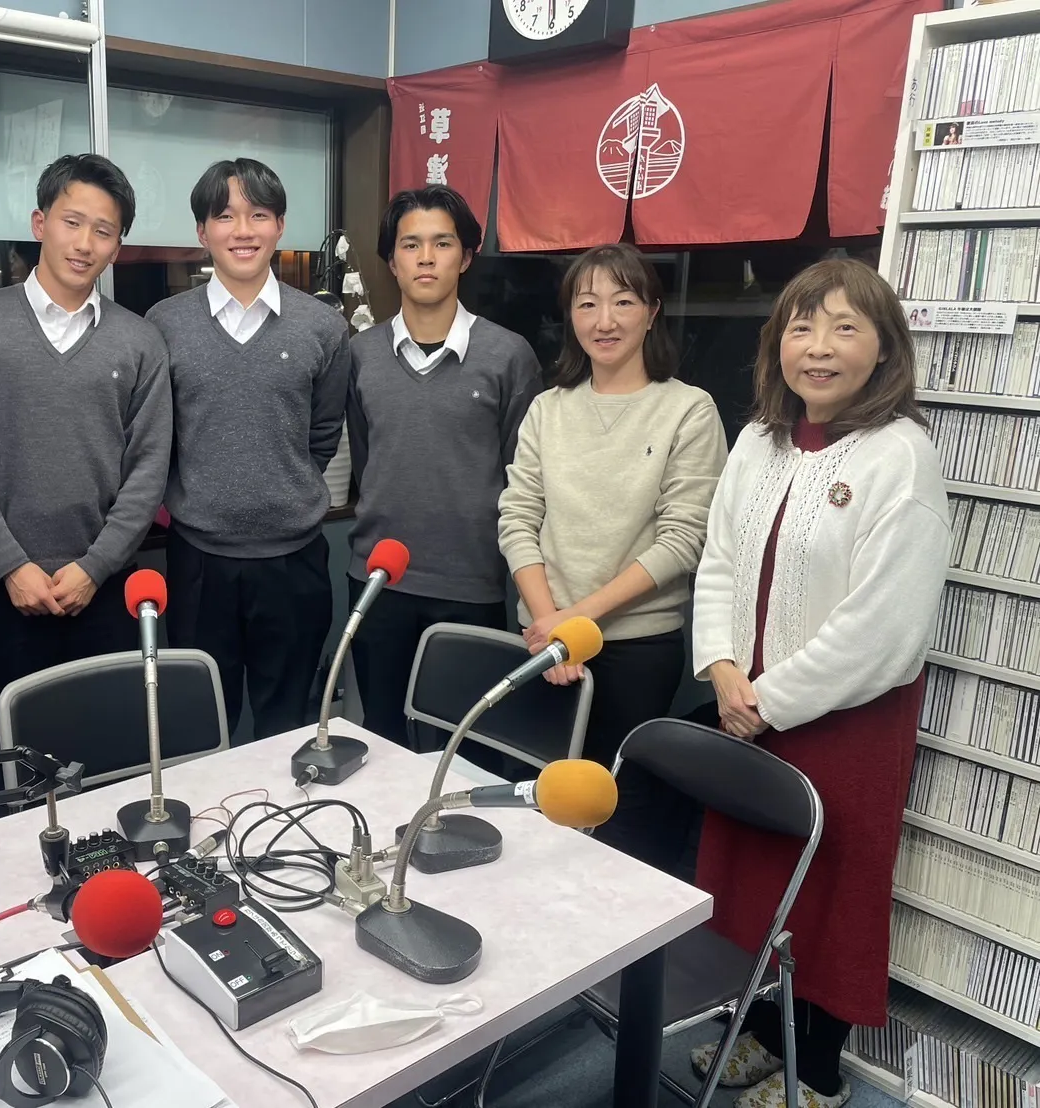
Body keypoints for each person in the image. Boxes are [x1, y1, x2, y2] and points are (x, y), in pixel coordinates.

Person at [688, 258, 948, 1108]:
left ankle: (820, 1071)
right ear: (778, 344)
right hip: (742, 704)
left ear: (884, 349)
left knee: (829, 892)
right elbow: (719, 563)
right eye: (801, 327)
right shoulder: (757, 441)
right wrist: (721, 668)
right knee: (751, 879)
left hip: (845, 722)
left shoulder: (900, 456)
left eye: (844, 328)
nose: (819, 347)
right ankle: (762, 1032)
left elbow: (885, 628)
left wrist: (764, 700)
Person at [497, 242, 726, 864]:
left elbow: (683, 538)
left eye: (623, 302)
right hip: (543, 643)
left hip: (635, 648)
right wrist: (550, 624)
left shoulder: (688, 409)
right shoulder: (548, 409)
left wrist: (575, 623)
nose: (605, 320)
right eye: (587, 303)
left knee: (616, 818)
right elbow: (518, 517)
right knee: (536, 806)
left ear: (651, 312)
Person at [0, 154, 171, 750]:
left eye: (104, 230)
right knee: (18, 763)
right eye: (72, 222)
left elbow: (148, 468)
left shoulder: (140, 340)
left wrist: (95, 567)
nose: (85, 243)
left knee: (112, 757)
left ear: (118, 246)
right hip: (3, 591)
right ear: (40, 223)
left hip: (105, 589)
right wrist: (11, 565)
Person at [146, 158, 349, 739]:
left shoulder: (322, 327)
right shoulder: (164, 324)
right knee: (200, 728)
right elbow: (159, 435)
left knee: (289, 727)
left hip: (294, 561)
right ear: (201, 231)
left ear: (280, 226)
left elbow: (322, 433)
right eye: (225, 216)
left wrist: (277, 486)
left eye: (258, 215)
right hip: (198, 561)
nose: (242, 230)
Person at [346, 185, 542, 748]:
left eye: (442, 243)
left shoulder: (508, 355)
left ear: (467, 256)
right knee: (381, 738)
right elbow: (365, 452)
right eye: (410, 245)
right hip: (378, 580)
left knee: (462, 745)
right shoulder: (360, 354)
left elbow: (521, 476)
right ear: (392, 260)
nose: (426, 258)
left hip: (471, 583)